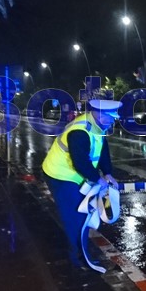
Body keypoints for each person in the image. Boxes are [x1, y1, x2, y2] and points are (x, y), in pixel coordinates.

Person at [42, 99, 121, 268]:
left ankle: (81, 250)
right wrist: (98, 179)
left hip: (76, 175)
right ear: (99, 114)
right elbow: (80, 162)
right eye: (111, 116)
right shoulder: (80, 131)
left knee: (82, 214)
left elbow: (102, 149)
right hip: (60, 175)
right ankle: (77, 259)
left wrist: (107, 173)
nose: (114, 120)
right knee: (75, 217)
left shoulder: (98, 125)